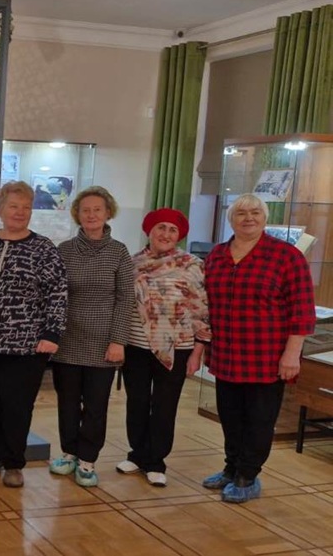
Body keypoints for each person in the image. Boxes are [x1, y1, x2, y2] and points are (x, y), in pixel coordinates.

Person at [202, 193, 315, 503]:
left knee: (259, 420)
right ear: (231, 220)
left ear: (265, 218)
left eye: (255, 212)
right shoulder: (217, 255)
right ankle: (231, 468)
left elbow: (302, 310)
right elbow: (205, 302)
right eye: (241, 213)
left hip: (266, 357)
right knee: (230, 417)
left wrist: (292, 354)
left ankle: (247, 476)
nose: (248, 218)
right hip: (226, 355)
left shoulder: (286, 256)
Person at [0, 181, 67, 488]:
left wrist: (52, 332)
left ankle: (13, 462)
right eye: (13, 206)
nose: (20, 212)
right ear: (0, 209)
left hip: (27, 345)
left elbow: (58, 293)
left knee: (17, 406)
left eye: (26, 207)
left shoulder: (44, 248)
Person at [117, 208, 210, 488]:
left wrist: (198, 350)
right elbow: (123, 303)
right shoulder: (132, 262)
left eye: (172, 230)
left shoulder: (192, 264)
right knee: (137, 402)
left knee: (165, 405)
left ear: (179, 235)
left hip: (177, 347)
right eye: (161, 228)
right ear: (149, 230)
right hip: (136, 344)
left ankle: (156, 461)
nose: (166, 234)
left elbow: (201, 309)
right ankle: (137, 454)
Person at [49, 186, 134, 488]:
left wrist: (118, 340)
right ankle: (69, 453)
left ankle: (87, 460)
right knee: (68, 403)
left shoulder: (119, 252)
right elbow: (54, 294)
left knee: (96, 406)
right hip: (67, 340)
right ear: (77, 214)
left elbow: (125, 299)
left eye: (97, 209)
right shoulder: (64, 250)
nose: (91, 214)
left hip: (103, 344)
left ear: (108, 213)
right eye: (85, 210)